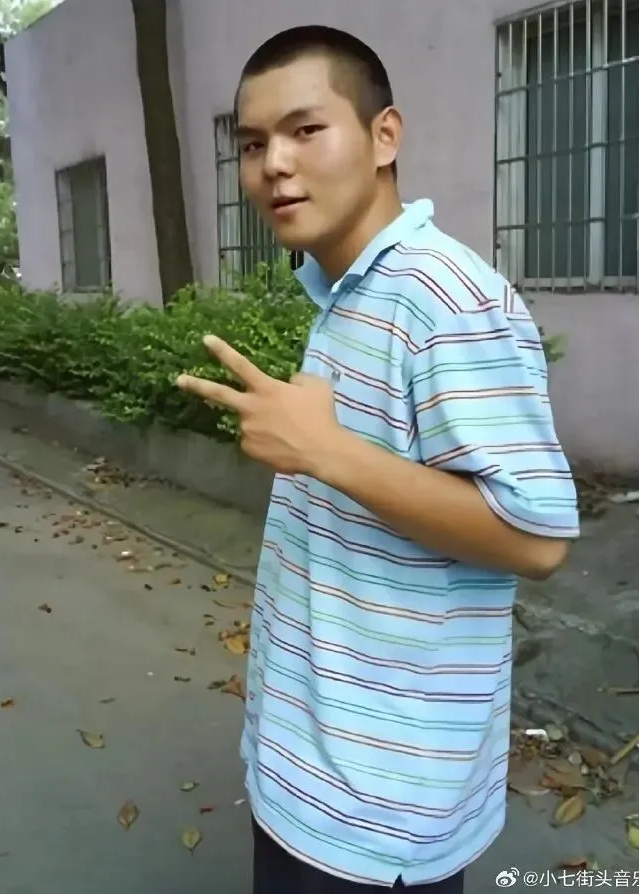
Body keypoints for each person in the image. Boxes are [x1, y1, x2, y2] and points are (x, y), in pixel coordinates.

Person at [177, 25, 579, 893]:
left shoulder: (447, 300)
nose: (275, 165)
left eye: (305, 129)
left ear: (384, 136)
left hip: (381, 810)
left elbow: (538, 539)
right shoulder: (349, 290)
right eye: (253, 144)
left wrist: (325, 452)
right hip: (309, 771)